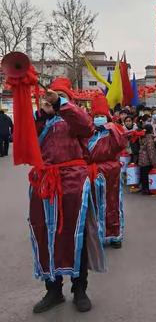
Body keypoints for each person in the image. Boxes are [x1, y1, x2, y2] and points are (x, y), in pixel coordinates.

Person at [31, 77, 105, 313]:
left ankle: (80, 288)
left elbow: (87, 127)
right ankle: (53, 290)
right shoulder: (41, 120)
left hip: (73, 183)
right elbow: (24, 139)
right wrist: (42, 115)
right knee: (46, 236)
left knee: (76, 237)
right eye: (49, 98)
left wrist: (61, 104)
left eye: (57, 97)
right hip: (44, 184)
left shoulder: (73, 117)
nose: (50, 102)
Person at [87, 94, 128, 248]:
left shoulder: (114, 130)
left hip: (111, 171)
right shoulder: (88, 133)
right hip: (93, 171)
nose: (99, 119)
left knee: (113, 203)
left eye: (101, 116)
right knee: (95, 204)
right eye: (96, 116)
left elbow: (122, 143)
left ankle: (115, 235)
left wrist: (111, 127)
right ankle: (98, 235)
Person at [138, 124, 156, 194]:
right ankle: (148, 189)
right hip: (148, 160)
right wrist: (154, 162)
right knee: (147, 176)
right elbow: (151, 151)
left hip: (141, 160)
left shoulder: (141, 137)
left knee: (143, 175)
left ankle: (144, 189)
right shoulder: (149, 139)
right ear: (151, 130)